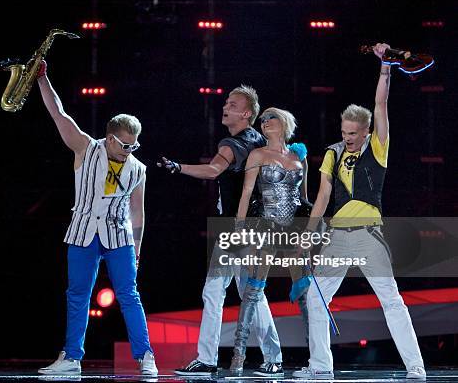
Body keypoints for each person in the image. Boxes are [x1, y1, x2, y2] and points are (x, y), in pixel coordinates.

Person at [293, 43, 426, 380]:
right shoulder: (333, 154)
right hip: (337, 237)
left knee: (391, 300)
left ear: (366, 131)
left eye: (353, 133)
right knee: (316, 299)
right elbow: (322, 195)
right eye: (343, 132)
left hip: (369, 235)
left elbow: (381, 103)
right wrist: (309, 235)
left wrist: (385, 67)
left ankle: (416, 367)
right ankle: (320, 367)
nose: (347, 138)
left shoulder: (378, 148)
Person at [35, 61, 157, 376]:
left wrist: (138, 247)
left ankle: (145, 356)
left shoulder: (138, 169)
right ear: (110, 137)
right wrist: (43, 78)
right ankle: (71, 357)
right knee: (77, 294)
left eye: (134, 145)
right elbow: (59, 115)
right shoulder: (86, 149)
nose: (129, 151)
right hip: (83, 232)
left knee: (129, 295)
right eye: (124, 145)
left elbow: (137, 211)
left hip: (119, 238)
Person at [159, 86, 280, 376]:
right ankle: (273, 358)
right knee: (251, 293)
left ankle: (207, 358)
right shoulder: (262, 141)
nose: (225, 106)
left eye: (233, 104)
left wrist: (178, 167)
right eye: (226, 102)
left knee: (215, 292)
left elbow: (213, 170)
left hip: (237, 229)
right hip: (258, 227)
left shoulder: (233, 143)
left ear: (246, 113)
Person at [228, 108, 311, 377]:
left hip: (294, 232)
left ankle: (318, 357)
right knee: (252, 292)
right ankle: (238, 357)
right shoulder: (258, 155)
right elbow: (247, 193)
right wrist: (239, 227)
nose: (264, 123)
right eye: (261, 120)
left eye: (270, 118)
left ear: (284, 122)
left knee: (305, 294)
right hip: (266, 228)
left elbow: (304, 199)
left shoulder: (299, 155)